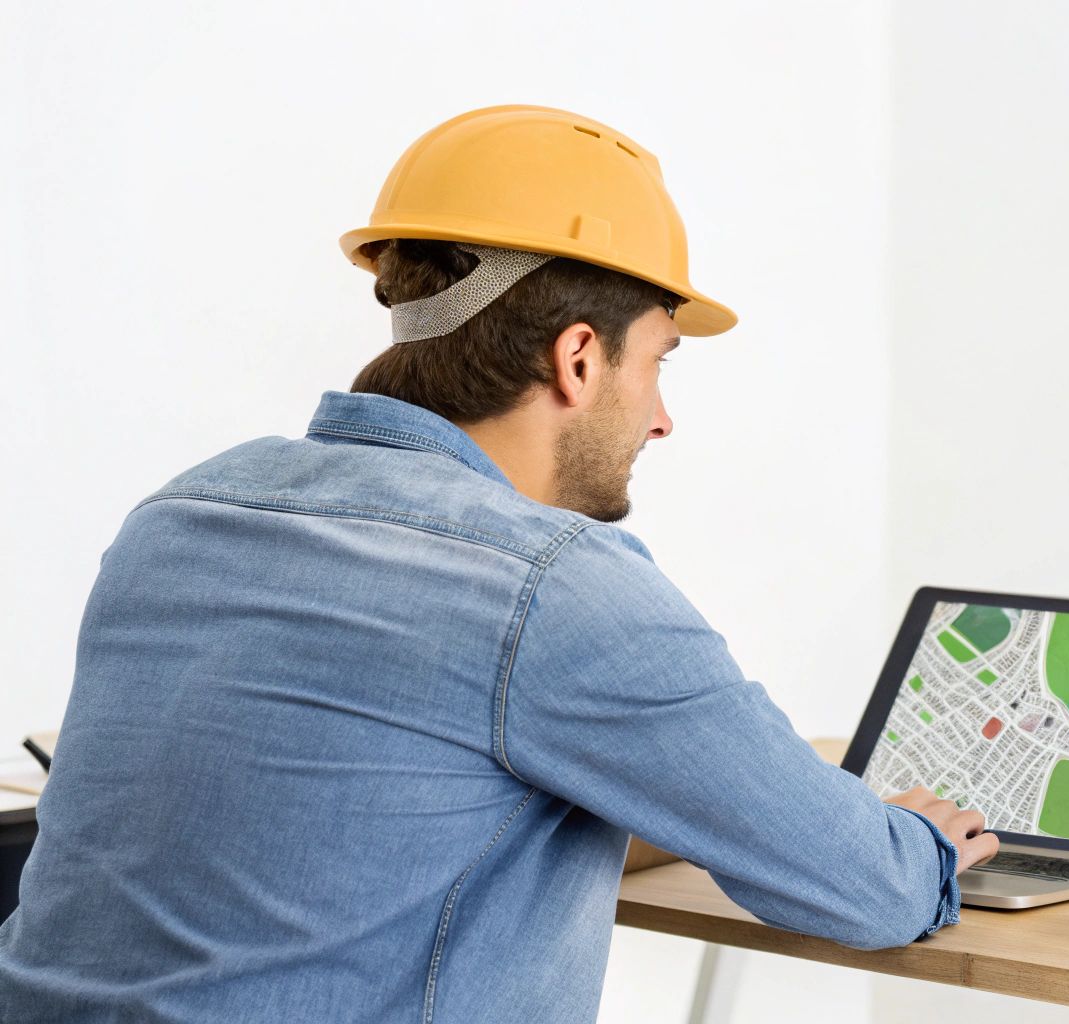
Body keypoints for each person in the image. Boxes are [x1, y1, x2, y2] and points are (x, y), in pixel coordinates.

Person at [0, 104, 997, 1022]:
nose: (660, 418)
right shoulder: (550, 585)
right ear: (578, 357)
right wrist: (914, 842)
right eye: (657, 361)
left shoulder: (179, 517)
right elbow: (868, 890)